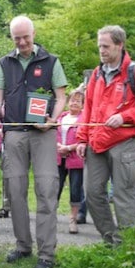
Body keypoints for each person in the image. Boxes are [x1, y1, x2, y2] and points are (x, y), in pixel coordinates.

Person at [0, 15, 67, 268]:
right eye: (17, 38)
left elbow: (61, 97)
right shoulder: (5, 62)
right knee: (15, 191)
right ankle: (23, 245)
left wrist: (53, 119)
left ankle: (47, 253)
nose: (23, 42)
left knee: (47, 189)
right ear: (12, 38)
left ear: (33, 33)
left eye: (26, 36)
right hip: (14, 132)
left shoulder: (51, 61)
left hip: (43, 133)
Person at [75, 25, 135, 246]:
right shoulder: (96, 73)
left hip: (125, 141)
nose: (101, 50)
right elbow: (88, 108)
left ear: (120, 45)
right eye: (99, 46)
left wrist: (125, 117)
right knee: (92, 193)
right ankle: (111, 240)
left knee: (124, 196)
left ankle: (128, 249)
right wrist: (82, 137)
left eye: (106, 46)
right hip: (96, 140)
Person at [56, 88, 85, 234]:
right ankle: (50, 218)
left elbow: (85, 139)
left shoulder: (84, 119)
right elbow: (52, 133)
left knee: (75, 189)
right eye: (72, 100)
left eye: (78, 101)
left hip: (76, 160)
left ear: (82, 105)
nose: (74, 103)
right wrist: (59, 146)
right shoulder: (60, 117)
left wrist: (68, 147)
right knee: (55, 188)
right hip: (58, 158)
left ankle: (73, 220)